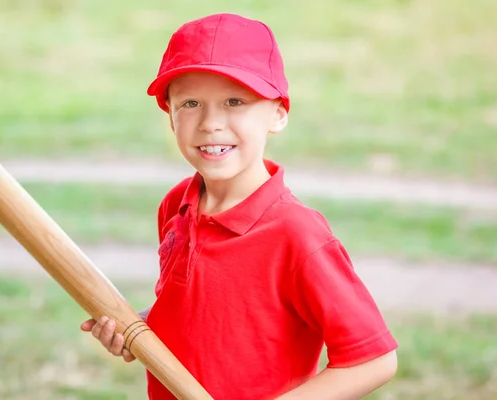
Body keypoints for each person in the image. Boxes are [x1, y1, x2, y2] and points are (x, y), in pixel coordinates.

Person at [81, 12, 398, 400]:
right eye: (190, 103)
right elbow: (212, 316)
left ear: (278, 114)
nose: (211, 123)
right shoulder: (176, 205)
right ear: (170, 116)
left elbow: (374, 359)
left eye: (235, 101)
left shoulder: (295, 233)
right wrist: (141, 331)